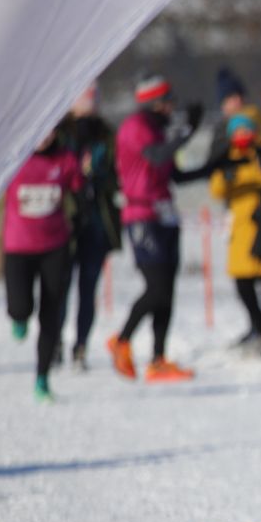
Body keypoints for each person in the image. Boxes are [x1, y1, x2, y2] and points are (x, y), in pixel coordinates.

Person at [107, 75, 202, 382]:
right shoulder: (136, 127)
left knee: (167, 292)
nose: (172, 106)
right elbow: (157, 155)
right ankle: (121, 340)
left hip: (166, 214)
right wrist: (186, 131)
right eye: (168, 100)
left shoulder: (160, 130)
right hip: (142, 215)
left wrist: (222, 161)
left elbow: (176, 174)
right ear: (155, 101)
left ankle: (158, 360)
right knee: (156, 288)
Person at [4, 123, 82, 400]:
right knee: (21, 306)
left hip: (55, 247)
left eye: (48, 131)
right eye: (38, 130)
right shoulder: (14, 160)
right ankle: (19, 317)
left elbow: (80, 189)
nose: (43, 137)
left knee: (52, 315)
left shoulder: (65, 160)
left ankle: (42, 378)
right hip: (18, 247)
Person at [56, 81, 121, 371]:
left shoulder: (106, 136)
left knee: (88, 289)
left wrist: (97, 177)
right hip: (65, 222)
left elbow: (118, 175)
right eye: (83, 99)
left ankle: (80, 347)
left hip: (97, 222)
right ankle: (54, 341)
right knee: (60, 287)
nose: (88, 105)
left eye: (92, 99)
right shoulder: (58, 134)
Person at [209, 110, 261, 353]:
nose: (242, 135)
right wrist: (226, 175)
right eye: (237, 131)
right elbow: (217, 189)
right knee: (243, 284)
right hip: (239, 228)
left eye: (246, 130)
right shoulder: (227, 157)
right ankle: (257, 328)